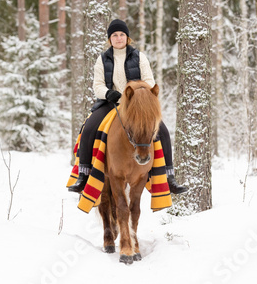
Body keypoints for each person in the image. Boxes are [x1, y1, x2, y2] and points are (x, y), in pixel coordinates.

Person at [68, 19, 188, 194]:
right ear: (110, 39)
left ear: (127, 37)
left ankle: (169, 178)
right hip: (111, 103)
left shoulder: (139, 57)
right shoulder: (102, 59)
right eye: (115, 35)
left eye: (122, 35)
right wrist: (108, 93)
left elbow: (149, 81)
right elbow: (98, 85)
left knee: (162, 130)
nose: (118, 38)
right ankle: (83, 176)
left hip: (136, 105)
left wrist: (136, 94)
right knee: (88, 128)